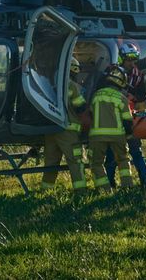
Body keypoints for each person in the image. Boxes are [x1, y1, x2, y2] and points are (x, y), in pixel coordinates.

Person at [104, 43, 146, 189]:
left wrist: (132, 96)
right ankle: (110, 183)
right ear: (121, 58)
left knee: (136, 151)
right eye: (129, 59)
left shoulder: (138, 76)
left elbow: (142, 96)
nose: (132, 63)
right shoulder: (111, 71)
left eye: (134, 59)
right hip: (112, 118)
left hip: (129, 118)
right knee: (111, 154)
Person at [41, 58, 88, 192]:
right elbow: (80, 107)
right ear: (73, 69)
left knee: (50, 162)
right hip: (68, 130)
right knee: (75, 161)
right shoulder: (71, 85)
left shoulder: (49, 83)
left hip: (50, 129)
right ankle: (81, 190)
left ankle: (46, 190)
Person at [89, 66, 134, 191]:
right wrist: (129, 135)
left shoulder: (96, 95)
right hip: (117, 135)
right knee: (123, 160)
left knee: (96, 163)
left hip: (97, 135)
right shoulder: (121, 98)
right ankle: (127, 185)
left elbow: (91, 114)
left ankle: (104, 189)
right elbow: (127, 121)